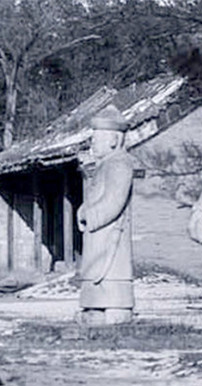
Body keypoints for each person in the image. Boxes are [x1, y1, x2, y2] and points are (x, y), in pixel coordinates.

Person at [77, 104, 135, 325]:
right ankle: (94, 305)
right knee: (95, 269)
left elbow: (114, 201)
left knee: (109, 271)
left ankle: (115, 306)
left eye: (96, 138)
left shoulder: (120, 163)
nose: (92, 144)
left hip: (110, 233)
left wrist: (91, 216)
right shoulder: (105, 164)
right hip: (97, 233)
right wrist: (84, 209)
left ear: (112, 140)